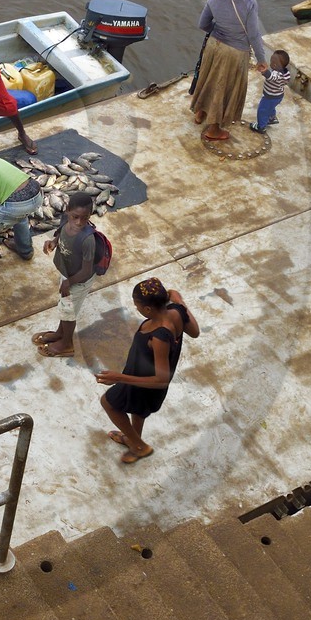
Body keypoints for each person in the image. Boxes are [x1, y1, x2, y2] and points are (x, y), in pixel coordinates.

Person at [95, 278, 198, 466]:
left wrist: (118, 377)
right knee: (138, 410)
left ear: (148, 309)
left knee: (108, 403)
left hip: (144, 383)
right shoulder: (177, 311)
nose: (136, 308)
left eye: (137, 305)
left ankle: (139, 446)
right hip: (141, 373)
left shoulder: (159, 337)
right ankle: (132, 439)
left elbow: (161, 380)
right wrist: (180, 302)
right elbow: (195, 332)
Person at [190, 0, 268, 142]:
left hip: (213, 46)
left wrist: (218, 31)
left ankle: (200, 113)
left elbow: (203, 24)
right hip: (234, 52)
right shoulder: (249, 3)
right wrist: (261, 59)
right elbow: (253, 34)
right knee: (223, 88)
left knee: (208, 78)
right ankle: (214, 130)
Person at [33, 192, 98, 358]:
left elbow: (86, 270)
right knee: (65, 308)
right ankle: (60, 333)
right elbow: (60, 232)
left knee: (69, 313)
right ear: (67, 210)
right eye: (75, 217)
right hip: (67, 274)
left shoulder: (88, 240)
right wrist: (53, 242)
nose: (79, 222)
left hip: (78, 281)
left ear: (90, 215)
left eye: (85, 218)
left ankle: (66, 344)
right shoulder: (65, 221)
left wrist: (69, 283)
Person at [250, 48, 290, 134]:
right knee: (270, 107)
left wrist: (265, 72)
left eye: (272, 62)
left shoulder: (277, 74)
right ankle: (271, 118)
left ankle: (261, 127)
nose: (271, 63)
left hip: (270, 97)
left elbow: (272, 77)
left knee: (262, 110)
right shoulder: (285, 73)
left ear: (275, 65)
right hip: (278, 96)